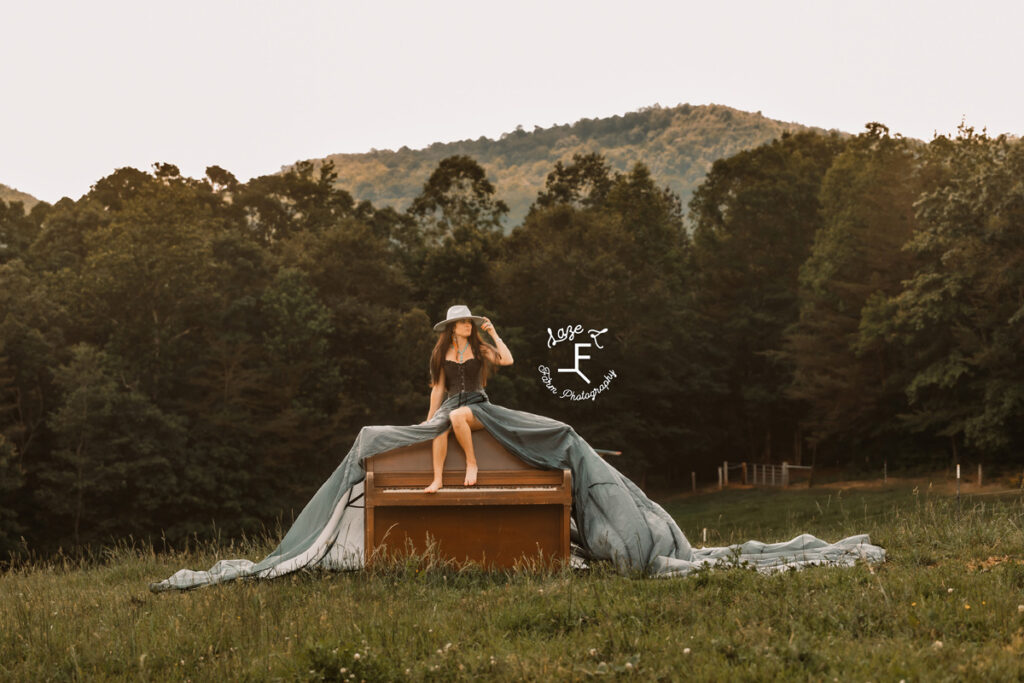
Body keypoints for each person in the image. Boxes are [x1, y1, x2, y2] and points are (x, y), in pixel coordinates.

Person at [149, 304, 885, 592]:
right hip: (457, 420)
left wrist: (494, 326)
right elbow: (436, 402)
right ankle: (451, 475)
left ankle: (459, 474)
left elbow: (500, 365)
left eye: (468, 328)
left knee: (478, 423)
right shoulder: (442, 361)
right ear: (448, 335)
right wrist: (423, 423)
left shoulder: (483, 349)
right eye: (461, 328)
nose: (465, 335)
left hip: (489, 416)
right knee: (451, 425)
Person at [422, 305, 513, 492]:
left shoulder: (480, 349)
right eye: (463, 322)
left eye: (469, 321)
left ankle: (472, 463)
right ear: (452, 327)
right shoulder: (439, 353)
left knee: (457, 416)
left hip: (478, 405)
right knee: (439, 424)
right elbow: (438, 388)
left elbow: (507, 360)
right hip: (452, 402)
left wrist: (494, 335)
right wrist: (430, 418)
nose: (468, 325)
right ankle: (437, 479)